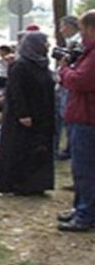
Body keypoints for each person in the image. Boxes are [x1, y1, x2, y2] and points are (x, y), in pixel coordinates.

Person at [0, 32, 55, 196]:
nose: (48, 45)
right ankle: (12, 184)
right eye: (44, 42)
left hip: (41, 115)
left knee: (37, 149)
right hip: (21, 117)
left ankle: (35, 184)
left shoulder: (42, 64)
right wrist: (23, 113)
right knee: (17, 149)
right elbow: (16, 92)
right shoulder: (20, 65)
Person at [58, 11, 95, 232]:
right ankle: (81, 207)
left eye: (83, 31)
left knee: (85, 169)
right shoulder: (88, 54)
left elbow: (80, 81)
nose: (81, 36)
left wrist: (64, 70)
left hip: (88, 118)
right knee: (81, 168)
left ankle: (85, 214)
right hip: (83, 115)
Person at [55, 16, 82, 160]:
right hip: (66, 82)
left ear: (71, 26)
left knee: (67, 116)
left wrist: (64, 67)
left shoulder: (77, 42)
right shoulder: (72, 42)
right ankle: (69, 148)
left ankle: (70, 149)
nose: (60, 30)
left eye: (62, 26)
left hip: (69, 84)